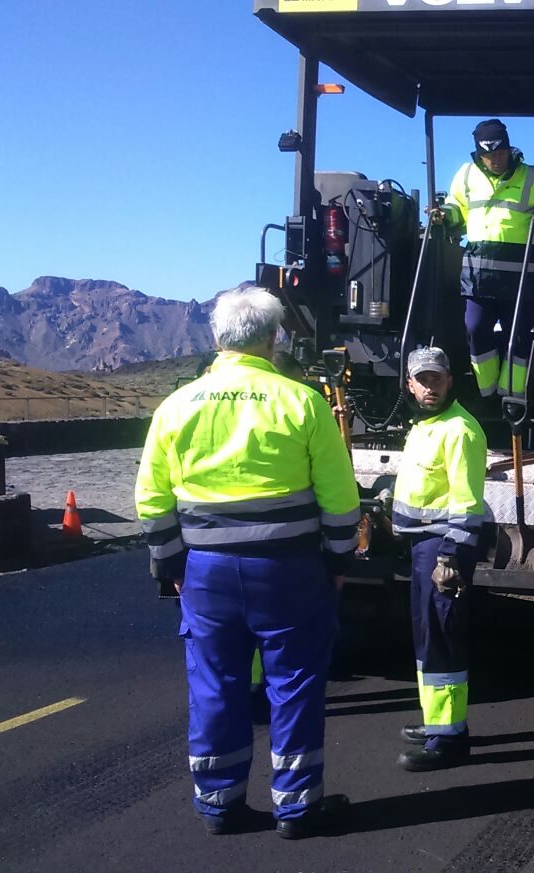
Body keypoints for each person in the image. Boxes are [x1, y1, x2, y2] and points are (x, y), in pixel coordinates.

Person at [135, 287, 360, 839]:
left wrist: (173, 567)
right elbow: (340, 501)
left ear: (217, 339)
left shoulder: (176, 406)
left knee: (215, 686)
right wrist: (338, 562)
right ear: (273, 338)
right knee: (295, 685)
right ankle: (297, 808)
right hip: (289, 571)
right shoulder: (302, 402)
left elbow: (151, 501)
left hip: (207, 572)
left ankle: (218, 804)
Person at [389, 346, 487, 771]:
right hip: (422, 546)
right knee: (427, 637)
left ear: (450, 381)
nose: (430, 387)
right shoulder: (425, 426)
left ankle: (448, 739)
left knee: (443, 639)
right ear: (410, 384)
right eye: (422, 380)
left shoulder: (459, 430)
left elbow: (467, 503)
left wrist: (451, 557)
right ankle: (437, 723)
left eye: (437, 379)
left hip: (442, 548)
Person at [433, 118, 534, 400]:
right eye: (489, 156)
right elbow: (457, 208)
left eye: (500, 153)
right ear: (479, 155)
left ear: (509, 150)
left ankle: (512, 395)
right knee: (475, 327)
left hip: (519, 279)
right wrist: (444, 215)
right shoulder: (465, 176)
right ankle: (487, 392)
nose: (495, 161)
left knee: (519, 335)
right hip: (478, 277)